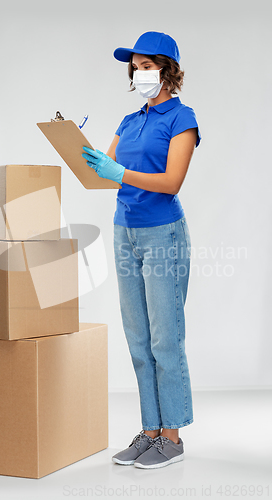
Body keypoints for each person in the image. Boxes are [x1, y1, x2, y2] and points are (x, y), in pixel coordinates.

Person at [82, 31, 201, 469]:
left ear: (167, 69)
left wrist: (120, 170)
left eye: (147, 65)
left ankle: (173, 436)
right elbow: (105, 175)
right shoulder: (130, 121)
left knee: (165, 338)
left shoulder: (182, 119)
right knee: (138, 339)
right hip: (124, 230)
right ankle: (150, 431)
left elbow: (170, 182)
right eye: (135, 66)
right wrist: (87, 156)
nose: (139, 72)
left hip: (163, 232)